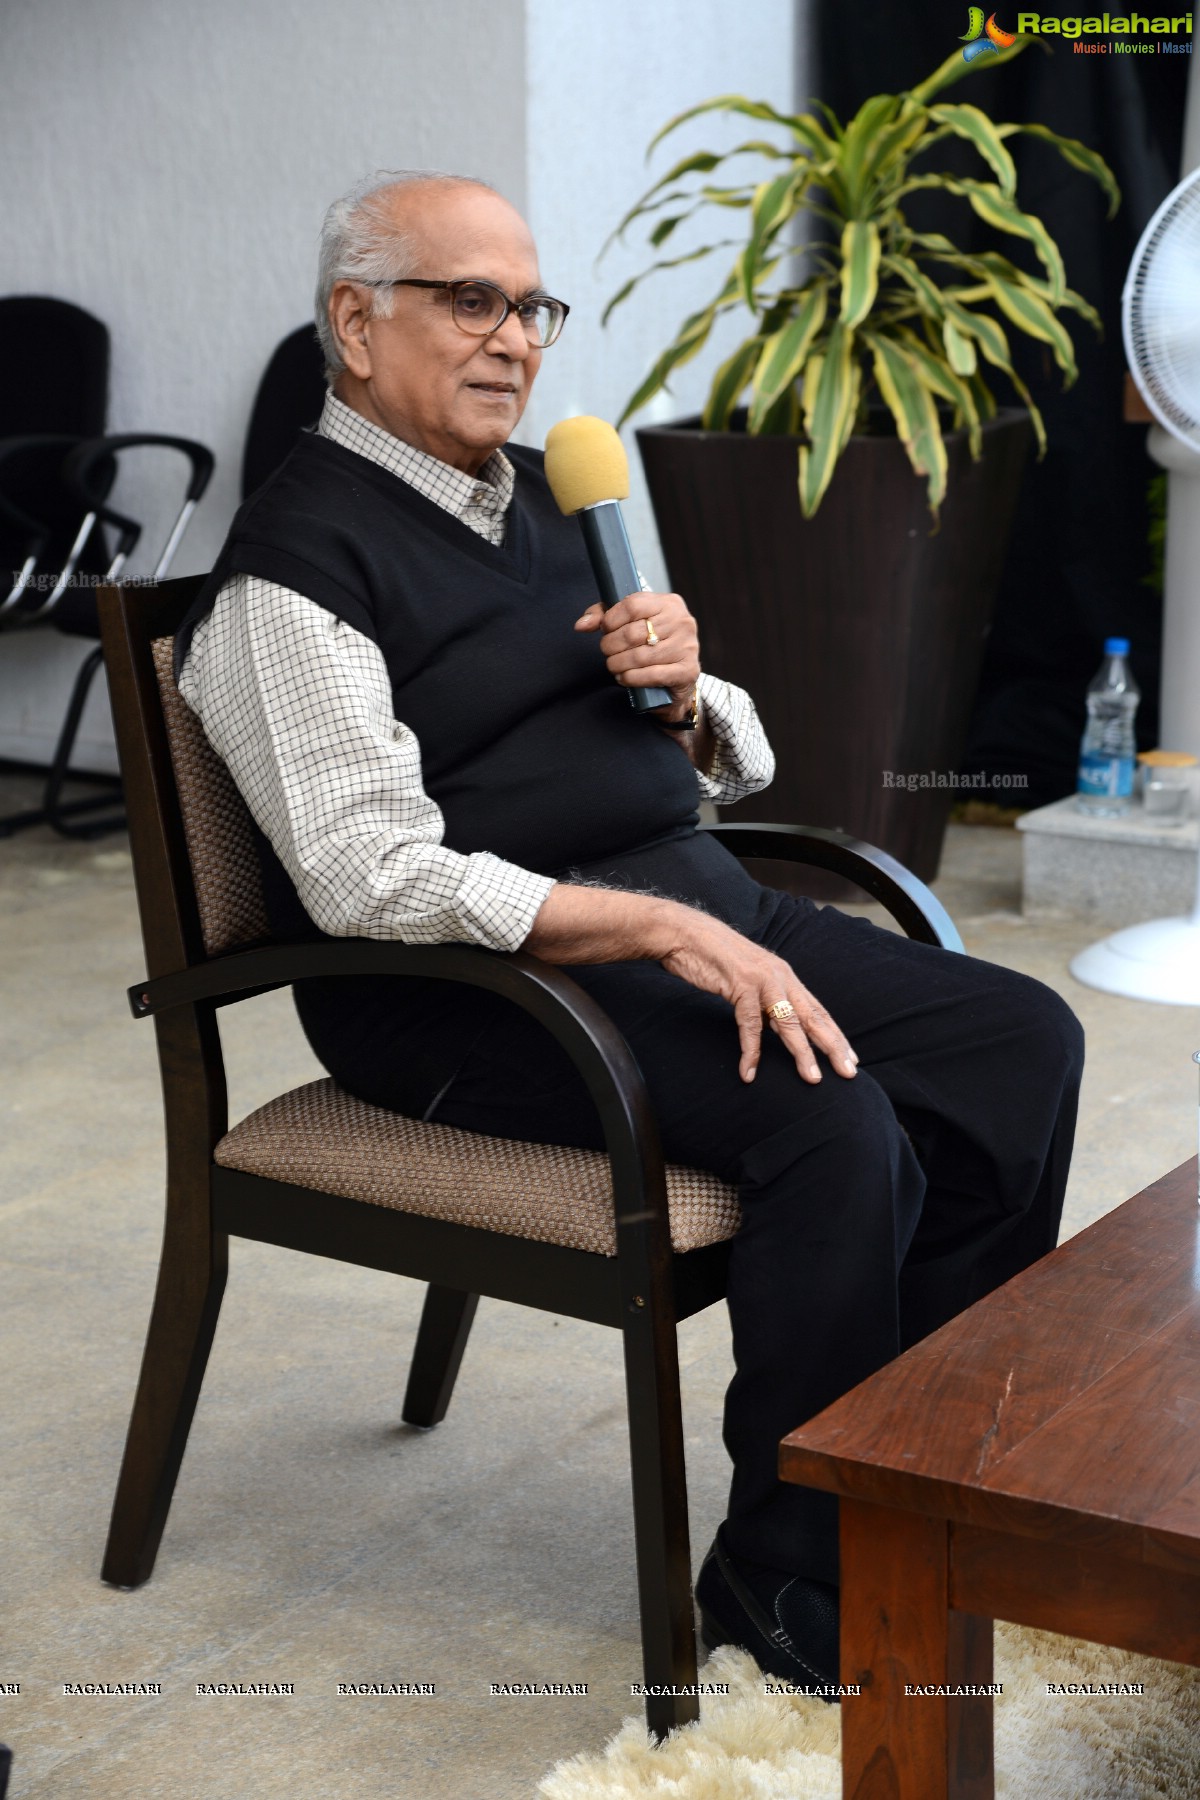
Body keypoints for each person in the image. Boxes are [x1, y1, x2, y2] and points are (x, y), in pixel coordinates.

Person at [176, 169, 1085, 1692]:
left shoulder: (548, 493)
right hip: (477, 995)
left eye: (532, 307)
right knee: (830, 1126)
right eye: (471, 300)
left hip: (689, 909)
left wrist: (688, 689)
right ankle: (781, 1583)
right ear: (353, 320)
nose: (516, 339)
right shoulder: (295, 572)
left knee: (1021, 1045)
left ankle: (903, 1477)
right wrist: (652, 933)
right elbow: (361, 875)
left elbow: (736, 758)